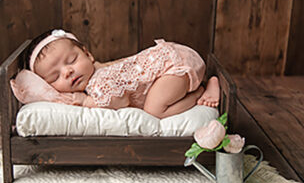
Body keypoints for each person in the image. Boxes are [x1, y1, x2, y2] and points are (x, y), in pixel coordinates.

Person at [19, 28, 220, 119]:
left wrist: (85, 101)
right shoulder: (102, 69)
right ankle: (199, 84)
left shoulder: (98, 82)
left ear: (88, 54)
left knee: (154, 110)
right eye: (55, 77)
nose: (68, 71)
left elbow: (117, 102)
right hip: (176, 57)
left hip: (175, 65)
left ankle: (201, 91)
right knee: (158, 97)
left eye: (71, 61)